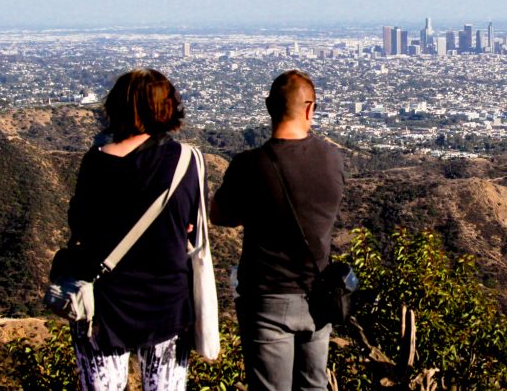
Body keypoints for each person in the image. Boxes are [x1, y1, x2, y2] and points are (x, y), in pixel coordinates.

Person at [65, 69, 204, 391]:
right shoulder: (186, 161)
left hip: (105, 302)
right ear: (169, 107)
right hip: (167, 300)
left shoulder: (96, 163)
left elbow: (79, 225)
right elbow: (192, 224)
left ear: (116, 107)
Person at [211, 70, 344, 391]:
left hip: (267, 299)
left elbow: (221, 216)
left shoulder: (249, 165)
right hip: (319, 298)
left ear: (269, 106)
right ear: (311, 108)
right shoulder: (332, 159)